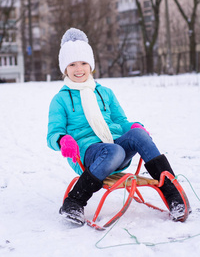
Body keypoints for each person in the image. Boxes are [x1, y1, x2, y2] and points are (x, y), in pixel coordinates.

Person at [47, 28, 189, 225]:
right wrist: (63, 140)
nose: (78, 69)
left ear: (91, 65)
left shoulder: (105, 93)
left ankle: (174, 197)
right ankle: (74, 201)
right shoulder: (61, 99)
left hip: (114, 147)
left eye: (83, 63)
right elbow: (53, 133)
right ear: (65, 68)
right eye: (72, 64)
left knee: (137, 136)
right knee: (114, 151)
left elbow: (121, 122)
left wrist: (134, 127)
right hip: (87, 153)